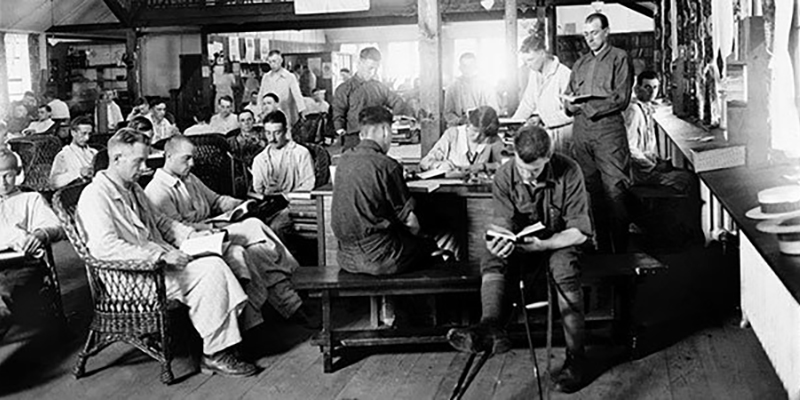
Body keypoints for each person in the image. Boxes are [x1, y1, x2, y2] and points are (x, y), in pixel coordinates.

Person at [76, 128, 257, 377]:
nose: (144, 168)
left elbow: (162, 222)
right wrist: (159, 256)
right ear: (116, 158)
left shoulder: (133, 189)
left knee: (223, 255)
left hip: (157, 264)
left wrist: (194, 237)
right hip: (130, 276)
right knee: (211, 270)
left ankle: (233, 337)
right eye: (138, 161)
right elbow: (105, 248)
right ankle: (215, 354)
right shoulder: (95, 196)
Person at [447, 125, 592, 393]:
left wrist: (546, 244)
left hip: (558, 242)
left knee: (564, 269)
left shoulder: (570, 171)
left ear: (549, 157)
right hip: (523, 245)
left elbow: (579, 233)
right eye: (522, 168)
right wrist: (499, 239)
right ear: (513, 154)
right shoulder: (505, 174)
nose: (526, 176)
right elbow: (501, 223)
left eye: (534, 171)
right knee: (491, 255)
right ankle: (490, 326)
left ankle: (576, 358)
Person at [145, 135, 310, 326]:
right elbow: (176, 231)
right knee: (254, 229)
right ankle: (294, 288)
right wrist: (212, 227)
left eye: (192, 158)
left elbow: (215, 200)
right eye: (186, 158)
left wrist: (240, 204)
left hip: (212, 230)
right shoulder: (157, 190)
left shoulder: (189, 179)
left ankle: (282, 307)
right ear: (169, 156)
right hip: (192, 242)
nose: (192, 163)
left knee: (257, 249)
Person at [332, 106, 447, 275]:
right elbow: (411, 224)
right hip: (379, 259)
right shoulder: (387, 165)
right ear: (386, 131)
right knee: (432, 247)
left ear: (362, 134)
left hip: (344, 257)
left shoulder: (343, 161)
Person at [563, 13, 634, 253]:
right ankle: (601, 247)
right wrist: (569, 105)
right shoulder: (580, 64)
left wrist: (591, 107)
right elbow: (568, 96)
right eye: (586, 34)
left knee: (615, 189)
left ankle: (621, 250)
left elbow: (621, 98)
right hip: (581, 132)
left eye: (594, 32)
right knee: (591, 191)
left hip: (608, 131)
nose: (589, 38)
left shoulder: (619, 58)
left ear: (606, 31)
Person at [623, 71, 703, 247]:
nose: (652, 92)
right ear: (637, 88)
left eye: (655, 87)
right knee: (688, 180)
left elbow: (646, 146)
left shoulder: (646, 107)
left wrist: (657, 161)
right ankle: (691, 235)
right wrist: (652, 165)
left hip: (647, 167)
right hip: (640, 174)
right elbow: (629, 148)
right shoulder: (634, 111)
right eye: (647, 87)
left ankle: (680, 230)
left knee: (685, 175)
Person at [0, 149, 65, 333]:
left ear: (17, 173)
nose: (3, 183)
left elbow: (56, 227)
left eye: (8, 176)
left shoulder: (30, 199)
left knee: (2, 293)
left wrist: (41, 234)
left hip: (20, 262)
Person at [332, 47, 407, 151]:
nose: (373, 73)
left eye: (376, 69)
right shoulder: (345, 89)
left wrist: (390, 121)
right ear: (360, 63)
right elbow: (338, 111)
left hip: (376, 137)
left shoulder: (379, 88)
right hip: (354, 137)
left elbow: (398, 102)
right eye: (370, 68)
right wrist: (340, 129)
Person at [512, 34, 574, 155]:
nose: (527, 65)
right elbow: (527, 103)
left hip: (563, 137)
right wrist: (513, 123)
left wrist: (543, 120)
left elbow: (572, 113)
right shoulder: (535, 73)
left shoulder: (564, 75)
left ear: (542, 53)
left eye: (530, 60)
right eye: (525, 61)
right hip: (545, 137)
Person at [420, 106, 505, 175]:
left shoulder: (492, 139)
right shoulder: (452, 134)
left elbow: (506, 165)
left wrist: (483, 166)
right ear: (468, 124)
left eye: (482, 135)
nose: (476, 137)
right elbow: (425, 162)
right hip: (450, 190)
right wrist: (439, 165)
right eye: (474, 131)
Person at [251, 110, 315, 196]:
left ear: (285, 131)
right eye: (268, 133)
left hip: (296, 203)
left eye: (277, 133)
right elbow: (258, 189)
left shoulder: (301, 153)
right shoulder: (259, 159)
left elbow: (309, 184)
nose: (272, 138)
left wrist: (286, 196)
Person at [443, 53, 499, 128]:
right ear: (460, 68)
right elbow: (448, 113)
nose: (468, 70)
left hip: (482, 128)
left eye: (470, 66)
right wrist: (459, 121)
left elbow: (494, 109)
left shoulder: (486, 86)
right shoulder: (452, 88)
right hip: (460, 129)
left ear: (476, 67)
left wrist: (482, 119)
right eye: (465, 66)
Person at [257, 50, 307, 127]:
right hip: (269, 112)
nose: (272, 64)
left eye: (274, 61)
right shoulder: (266, 77)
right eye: (270, 62)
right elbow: (260, 95)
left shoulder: (289, 77)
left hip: (285, 112)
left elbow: (297, 95)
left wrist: (302, 111)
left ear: (280, 61)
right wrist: (259, 111)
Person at [49, 116, 98, 189]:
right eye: (83, 133)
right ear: (73, 133)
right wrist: (78, 173)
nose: (87, 138)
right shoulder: (64, 155)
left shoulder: (94, 153)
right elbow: (54, 182)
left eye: (89, 134)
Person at [227, 110, 265, 196]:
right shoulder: (232, 141)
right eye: (243, 120)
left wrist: (261, 143)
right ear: (239, 123)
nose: (246, 123)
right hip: (243, 176)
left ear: (254, 121)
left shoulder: (264, 136)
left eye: (249, 119)